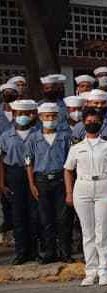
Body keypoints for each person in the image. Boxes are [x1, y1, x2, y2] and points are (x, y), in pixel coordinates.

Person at [64, 109, 107, 286]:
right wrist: (68, 192)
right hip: (82, 187)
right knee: (87, 232)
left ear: (101, 123)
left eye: (95, 120)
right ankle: (90, 270)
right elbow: (68, 170)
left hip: (104, 184)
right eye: (89, 120)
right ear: (84, 123)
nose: (92, 123)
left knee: (103, 230)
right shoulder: (76, 147)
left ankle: (104, 270)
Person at [25, 102, 71, 263]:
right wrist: (31, 184)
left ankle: (65, 252)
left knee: (63, 218)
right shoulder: (33, 138)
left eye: (53, 116)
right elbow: (29, 163)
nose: (50, 119)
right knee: (46, 219)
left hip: (60, 179)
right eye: (46, 116)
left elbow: (69, 163)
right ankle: (50, 252)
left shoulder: (65, 136)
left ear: (57, 117)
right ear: (40, 117)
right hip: (41, 181)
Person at [0, 99, 39, 264]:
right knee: (18, 215)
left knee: (35, 214)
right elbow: (1, 161)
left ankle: (36, 251)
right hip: (14, 175)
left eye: (26, 114)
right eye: (20, 114)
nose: (23, 117)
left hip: (35, 175)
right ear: (14, 115)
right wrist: (2, 184)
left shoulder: (38, 133)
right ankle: (21, 252)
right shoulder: (5, 136)